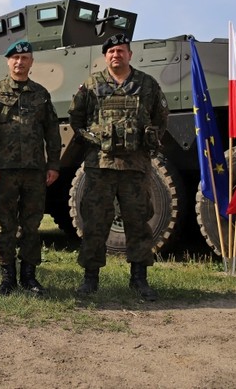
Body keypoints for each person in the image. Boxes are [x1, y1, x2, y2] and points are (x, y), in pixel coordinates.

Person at [68, 33, 169, 301]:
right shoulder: (91, 85)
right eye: (111, 51)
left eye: (121, 51)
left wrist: (149, 138)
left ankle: (139, 279)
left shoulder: (147, 85)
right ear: (105, 56)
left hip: (135, 167)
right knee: (95, 223)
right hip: (100, 166)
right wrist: (95, 138)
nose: (116, 55)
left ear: (130, 55)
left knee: (138, 223)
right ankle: (90, 279)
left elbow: (161, 118)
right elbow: (76, 120)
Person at [0, 40, 61, 296]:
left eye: (24, 58)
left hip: (35, 170)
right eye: (15, 58)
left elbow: (52, 132)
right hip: (4, 171)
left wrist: (54, 164)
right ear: (8, 61)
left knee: (32, 225)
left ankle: (29, 277)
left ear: (31, 62)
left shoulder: (41, 94)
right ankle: (7, 277)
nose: (19, 62)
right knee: (6, 226)